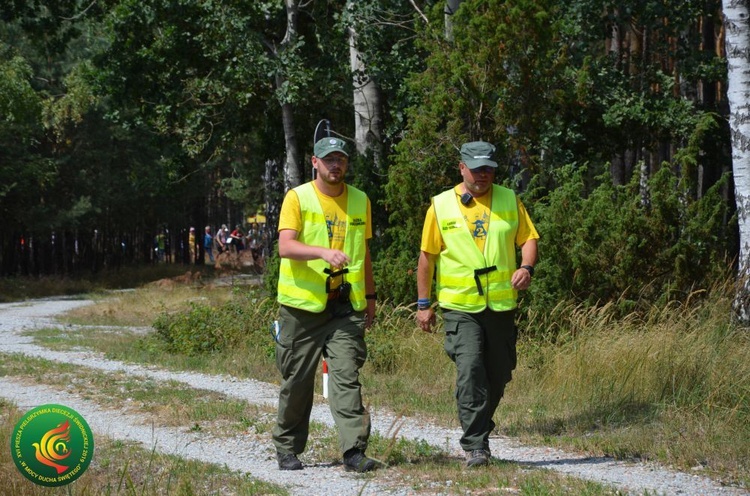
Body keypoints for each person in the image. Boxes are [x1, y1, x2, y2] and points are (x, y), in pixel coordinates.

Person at [415, 141, 539, 468]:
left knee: (499, 373)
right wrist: (424, 304)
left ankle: (480, 425)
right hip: (460, 306)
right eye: (476, 168)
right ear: (461, 168)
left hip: (500, 305)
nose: (483, 174)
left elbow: (528, 238)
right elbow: (426, 258)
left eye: (488, 168)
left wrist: (526, 267)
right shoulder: (440, 206)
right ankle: (475, 445)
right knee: (470, 368)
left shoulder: (510, 200)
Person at [273, 136, 378, 473]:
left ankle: (353, 452)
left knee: (346, 376)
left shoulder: (361, 200)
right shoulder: (298, 197)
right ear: (314, 162)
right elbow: (285, 247)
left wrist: (372, 298)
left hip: (345, 307)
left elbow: (365, 255)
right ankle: (288, 448)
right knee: (298, 382)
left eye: (341, 159)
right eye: (328, 159)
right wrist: (322, 253)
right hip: (302, 308)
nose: (336, 165)